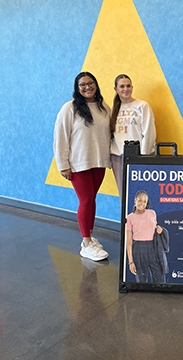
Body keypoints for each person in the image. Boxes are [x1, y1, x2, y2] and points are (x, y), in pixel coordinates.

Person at [53, 72, 111, 261]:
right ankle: (86, 243)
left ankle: (90, 237)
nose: (87, 87)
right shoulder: (69, 108)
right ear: (77, 88)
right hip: (79, 164)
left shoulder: (103, 107)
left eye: (90, 83)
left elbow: (110, 133)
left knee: (92, 199)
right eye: (82, 84)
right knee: (85, 200)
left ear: (96, 84)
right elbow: (60, 138)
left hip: (99, 162)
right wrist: (63, 165)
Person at [110, 74, 156, 203]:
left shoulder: (142, 106)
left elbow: (149, 133)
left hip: (137, 156)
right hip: (118, 157)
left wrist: (143, 156)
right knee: (123, 195)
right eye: (122, 86)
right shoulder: (113, 109)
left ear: (132, 87)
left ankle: (139, 223)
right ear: (116, 89)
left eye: (128, 85)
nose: (126, 89)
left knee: (139, 195)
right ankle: (125, 223)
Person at [126, 190, 169, 283]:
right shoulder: (129, 218)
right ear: (135, 200)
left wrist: (160, 230)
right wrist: (130, 261)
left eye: (145, 201)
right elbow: (129, 241)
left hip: (153, 248)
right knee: (141, 280)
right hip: (138, 249)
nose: (142, 203)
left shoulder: (152, 213)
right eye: (140, 200)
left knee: (160, 279)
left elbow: (155, 230)